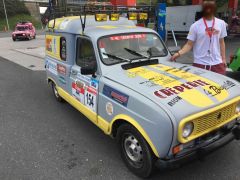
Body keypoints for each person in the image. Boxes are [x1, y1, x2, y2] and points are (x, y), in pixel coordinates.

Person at [171, 0, 227, 75]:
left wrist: (223, 59)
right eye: (206, 7)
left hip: (217, 64)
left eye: (210, 7)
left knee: (220, 85)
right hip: (200, 64)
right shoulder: (195, 26)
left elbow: (221, 42)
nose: (208, 10)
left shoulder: (221, 23)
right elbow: (189, 44)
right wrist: (178, 53)